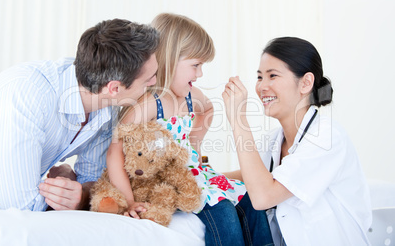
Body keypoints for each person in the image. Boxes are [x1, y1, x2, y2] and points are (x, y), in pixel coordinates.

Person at [105, 13, 273, 246]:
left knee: (251, 201)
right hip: (164, 181)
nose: (200, 73)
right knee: (222, 210)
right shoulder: (151, 103)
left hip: (192, 173)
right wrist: (129, 201)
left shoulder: (192, 96)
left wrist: (194, 146)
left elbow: (208, 110)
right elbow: (115, 152)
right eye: (195, 65)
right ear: (170, 59)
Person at [0, 18, 159, 212]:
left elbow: (93, 182)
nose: (155, 82)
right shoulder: (28, 94)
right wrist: (65, 196)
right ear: (114, 87)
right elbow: (20, 208)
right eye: (149, 79)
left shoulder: (106, 105)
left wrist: (78, 194)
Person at [222, 37, 372, 245]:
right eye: (259, 77)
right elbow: (250, 176)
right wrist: (201, 176)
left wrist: (238, 119)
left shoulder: (327, 137)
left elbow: (263, 195)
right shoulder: (274, 140)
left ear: (306, 83)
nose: (262, 87)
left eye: (272, 75)